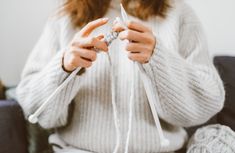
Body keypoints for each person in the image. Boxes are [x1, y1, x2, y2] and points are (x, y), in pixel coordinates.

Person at [16, 0, 225, 152]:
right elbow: (32, 107)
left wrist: (159, 60)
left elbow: (207, 102)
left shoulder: (180, 14)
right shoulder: (64, 18)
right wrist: (64, 67)